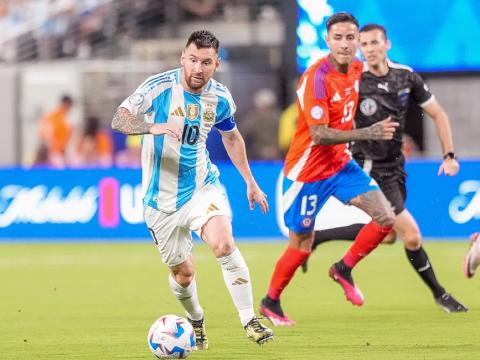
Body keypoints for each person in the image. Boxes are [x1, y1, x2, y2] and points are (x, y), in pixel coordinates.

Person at [111, 30, 273, 347]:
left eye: (206, 62)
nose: (198, 69)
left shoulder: (221, 98)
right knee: (184, 275)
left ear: (217, 64)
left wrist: (250, 182)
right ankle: (196, 320)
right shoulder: (157, 88)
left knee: (224, 244)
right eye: (193, 60)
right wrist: (150, 126)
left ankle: (249, 319)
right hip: (160, 201)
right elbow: (119, 119)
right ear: (183, 58)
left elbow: (231, 137)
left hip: (202, 187)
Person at [304, 24, 467, 313]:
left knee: (388, 234)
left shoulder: (405, 77)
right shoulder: (354, 79)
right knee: (412, 235)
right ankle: (439, 294)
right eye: (364, 44)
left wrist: (449, 155)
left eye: (374, 42)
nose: (369, 48)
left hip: (395, 167)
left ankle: (321, 238)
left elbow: (439, 114)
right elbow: (329, 121)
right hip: (366, 166)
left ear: (387, 44)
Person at [259, 12, 400, 326]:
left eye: (351, 38)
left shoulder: (358, 68)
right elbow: (320, 134)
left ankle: (343, 268)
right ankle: (270, 301)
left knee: (386, 218)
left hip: (340, 165)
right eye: (338, 38)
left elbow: (381, 76)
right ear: (327, 40)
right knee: (302, 243)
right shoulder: (316, 77)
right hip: (307, 172)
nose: (346, 44)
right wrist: (369, 132)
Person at [38, 94, 73, 168]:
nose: (69, 109)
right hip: (52, 153)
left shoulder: (65, 119)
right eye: (68, 107)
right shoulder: (53, 118)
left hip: (61, 152)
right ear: (65, 105)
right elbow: (44, 134)